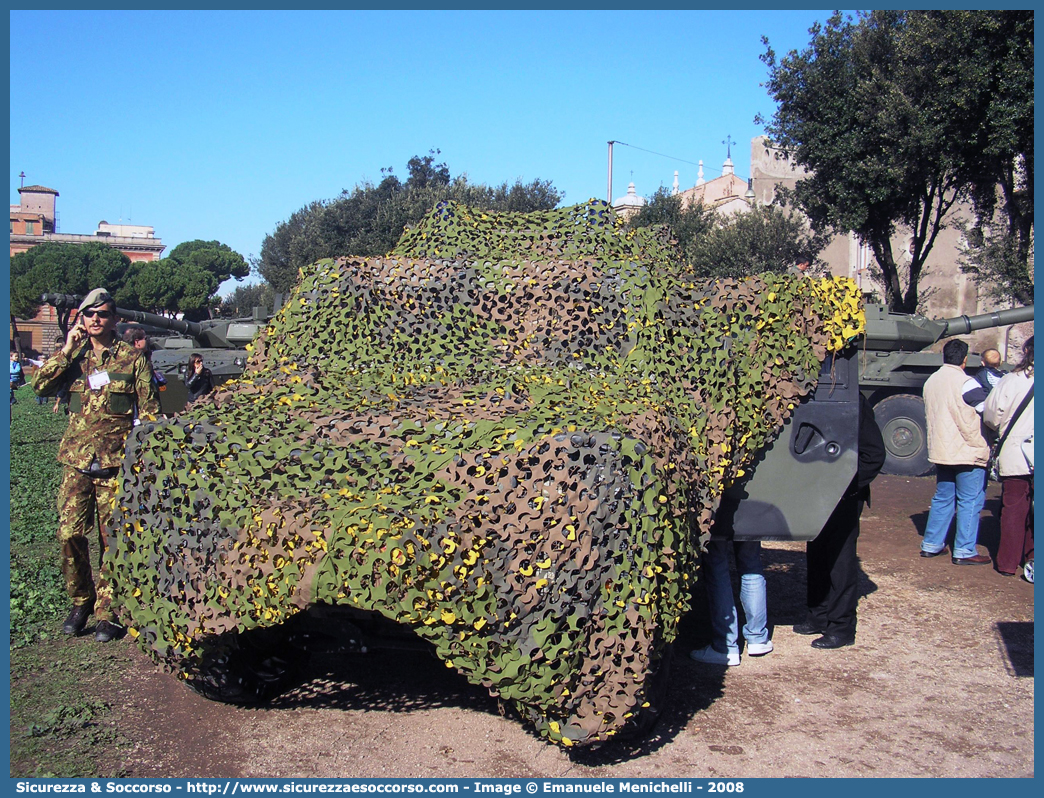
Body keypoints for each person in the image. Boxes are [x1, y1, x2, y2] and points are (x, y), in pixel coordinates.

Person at [31, 288, 158, 642]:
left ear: (115, 319)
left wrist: (141, 458)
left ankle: (108, 611)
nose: (95, 319)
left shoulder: (133, 360)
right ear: (82, 319)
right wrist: (68, 349)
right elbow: (39, 387)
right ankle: (81, 600)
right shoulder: (74, 357)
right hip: (76, 461)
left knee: (112, 541)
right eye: (89, 314)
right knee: (69, 534)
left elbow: (149, 412)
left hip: (114, 465)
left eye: (102, 313)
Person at [793, 393, 885, 649]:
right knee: (817, 554)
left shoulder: (853, 400)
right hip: (818, 492)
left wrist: (847, 487)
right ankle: (818, 615)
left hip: (844, 495)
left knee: (841, 561)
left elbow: (874, 454)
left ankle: (841, 627)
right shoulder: (815, 397)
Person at [919, 339, 991, 564]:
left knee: (943, 497)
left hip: (942, 449)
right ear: (965, 359)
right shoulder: (966, 382)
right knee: (970, 499)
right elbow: (985, 411)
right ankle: (964, 550)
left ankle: (931, 544)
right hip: (967, 449)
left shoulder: (931, 381)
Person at [983, 337, 1033, 582]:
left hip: (1016, 452)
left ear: (1025, 351)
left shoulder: (1011, 381)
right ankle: (1032, 559)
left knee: (1013, 509)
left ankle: (1007, 563)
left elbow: (992, 415)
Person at [689, 539, 772, 667]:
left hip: (721, 519)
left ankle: (725, 646)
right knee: (751, 561)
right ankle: (757, 638)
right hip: (752, 518)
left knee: (717, 561)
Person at [122, 327, 167, 392]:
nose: (147, 341)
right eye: (145, 338)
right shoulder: (139, 361)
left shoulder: (120, 358)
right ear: (137, 342)